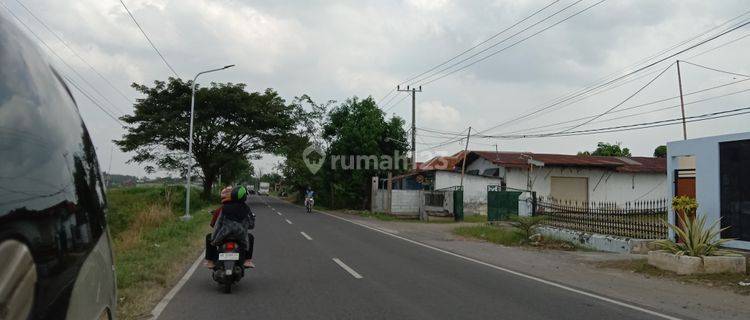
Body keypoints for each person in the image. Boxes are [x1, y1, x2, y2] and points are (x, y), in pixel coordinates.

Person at [204, 186, 256, 268]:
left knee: (209, 237)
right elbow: (251, 225)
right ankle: (247, 261)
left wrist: (214, 239)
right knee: (250, 237)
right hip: (241, 237)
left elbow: (218, 224)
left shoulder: (223, 208)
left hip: (223, 235)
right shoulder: (246, 209)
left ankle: (210, 262)